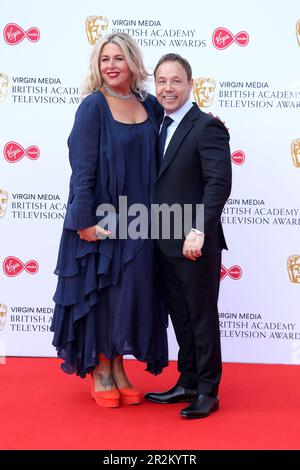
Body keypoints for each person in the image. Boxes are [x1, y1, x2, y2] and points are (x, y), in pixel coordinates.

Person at [51, 33, 168, 408]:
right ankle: (101, 369)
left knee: (130, 294)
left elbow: (176, 138)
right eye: (105, 59)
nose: (112, 65)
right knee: (103, 294)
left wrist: (211, 124)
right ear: (98, 66)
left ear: (133, 62)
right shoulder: (93, 107)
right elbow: (82, 169)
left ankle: (118, 365)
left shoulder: (149, 104)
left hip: (142, 221)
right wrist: (82, 222)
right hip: (102, 220)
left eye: (119, 57)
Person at [144, 54, 232, 418]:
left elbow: (218, 183)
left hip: (195, 242)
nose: (168, 88)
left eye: (175, 81)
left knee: (201, 317)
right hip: (162, 240)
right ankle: (188, 380)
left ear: (190, 84)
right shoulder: (156, 125)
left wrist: (199, 230)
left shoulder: (206, 127)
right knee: (180, 316)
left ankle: (208, 391)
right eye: (161, 81)